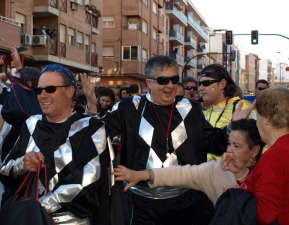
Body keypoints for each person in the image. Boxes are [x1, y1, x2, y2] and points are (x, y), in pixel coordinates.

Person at [81, 55, 231, 225]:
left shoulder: (191, 108)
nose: (170, 86)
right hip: (141, 206)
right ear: (148, 83)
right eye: (163, 80)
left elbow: (216, 143)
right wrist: (92, 108)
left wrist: (234, 127)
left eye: (174, 80)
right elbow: (97, 136)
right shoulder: (130, 107)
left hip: (186, 204)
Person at [0, 64, 111, 225]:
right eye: (39, 90)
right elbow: (4, 170)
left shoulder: (90, 127)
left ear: (69, 91)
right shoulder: (31, 123)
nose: (42, 95)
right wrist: (22, 163)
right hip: (29, 217)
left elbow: (87, 181)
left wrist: (40, 205)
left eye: (50, 89)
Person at [114, 119, 264, 206]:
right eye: (229, 143)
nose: (230, 150)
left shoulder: (268, 170)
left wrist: (240, 175)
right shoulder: (216, 170)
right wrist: (142, 175)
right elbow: (181, 174)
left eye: (237, 146)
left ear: (255, 150)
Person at [223, 86, 289, 225]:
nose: (256, 121)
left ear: (268, 119)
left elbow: (264, 215)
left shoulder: (274, 156)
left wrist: (238, 199)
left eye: (257, 115)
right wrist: (241, 175)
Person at [199, 64, 252, 160]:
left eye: (206, 83)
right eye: (200, 84)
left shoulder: (242, 107)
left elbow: (262, 145)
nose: (201, 88)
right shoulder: (202, 113)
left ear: (222, 84)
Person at [0, 47, 42, 161]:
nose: (13, 86)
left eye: (16, 84)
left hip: (19, 164)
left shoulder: (30, 108)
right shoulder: (33, 100)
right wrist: (18, 66)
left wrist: (19, 67)